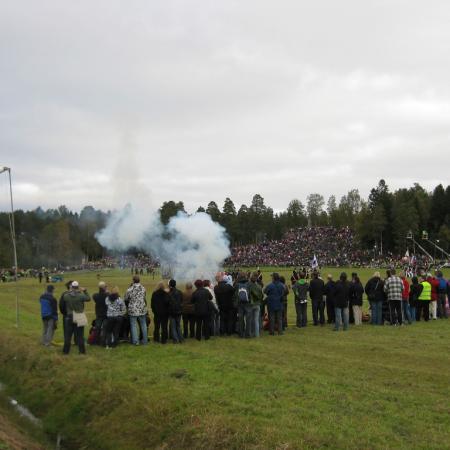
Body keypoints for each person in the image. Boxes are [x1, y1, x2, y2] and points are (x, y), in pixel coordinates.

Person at [62, 281, 91, 355]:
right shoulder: (81, 295)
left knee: (68, 335)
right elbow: (88, 298)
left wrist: (70, 290)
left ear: (71, 287)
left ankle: (65, 351)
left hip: (69, 316)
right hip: (79, 315)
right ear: (78, 287)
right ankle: (82, 352)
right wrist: (85, 291)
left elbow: (64, 299)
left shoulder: (66, 296)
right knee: (80, 335)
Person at [125, 275, 148, 346]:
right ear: (139, 280)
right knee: (143, 325)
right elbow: (144, 297)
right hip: (142, 309)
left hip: (133, 310)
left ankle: (135, 342)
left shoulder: (129, 289)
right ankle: (145, 341)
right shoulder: (143, 288)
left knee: (133, 325)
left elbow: (126, 299)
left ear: (133, 280)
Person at [235, 273, 252, 338]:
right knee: (248, 319)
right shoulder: (249, 284)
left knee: (240, 319)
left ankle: (241, 334)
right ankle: (248, 334)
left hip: (240, 303)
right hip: (247, 303)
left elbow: (235, 294)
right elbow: (250, 293)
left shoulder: (237, 285)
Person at [248, 272, 264, 337]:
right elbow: (262, 296)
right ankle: (257, 334)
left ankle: (251, 333)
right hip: (257, 304)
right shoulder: (259, 286)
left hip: (251, 304)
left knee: (251, 319)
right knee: (256, 320)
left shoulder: (248, 285)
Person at [168, 279, 184, 344]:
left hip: (172, 312)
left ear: (170, 285)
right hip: (179, 311)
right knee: (178, 326)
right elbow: (182, 301)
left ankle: (176, 340)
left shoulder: (169, 293)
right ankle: (181, 339)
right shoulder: (180, 292)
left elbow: (167, 302)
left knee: (173, 327)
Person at [93, 281, 108, 345]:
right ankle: (103, 341)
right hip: (106, 314)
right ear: (104, 288)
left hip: (99, 313)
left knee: (97, 327)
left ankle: (96, 341)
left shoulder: (95, 296)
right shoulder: (107, 295)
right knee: (105, 328)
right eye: (106, 286)